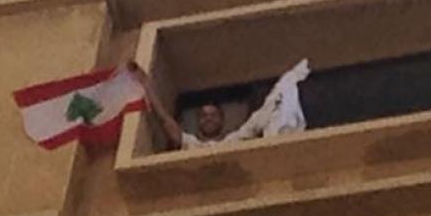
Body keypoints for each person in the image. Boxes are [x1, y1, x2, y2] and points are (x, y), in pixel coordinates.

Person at [129, 59, 310, 151]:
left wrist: (284, 89)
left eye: (213, 115)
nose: (208, 119)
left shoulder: (236, 140)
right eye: (204, 116)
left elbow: (260, 118)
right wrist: (147, 86)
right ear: (198, 123)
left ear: (222, 121)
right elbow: (166, 123)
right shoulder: (193, 146)